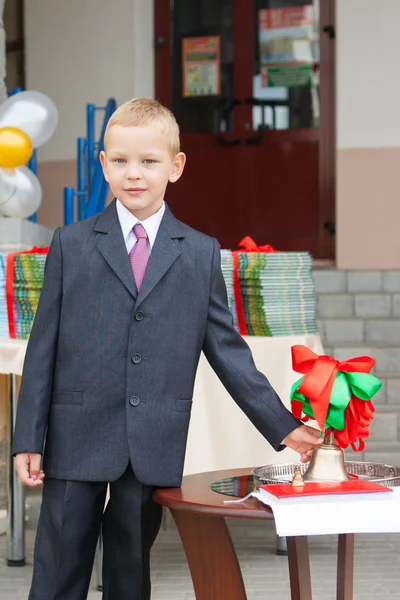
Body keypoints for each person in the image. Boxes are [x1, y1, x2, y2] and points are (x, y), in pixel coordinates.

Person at [12, 98, 322, 600]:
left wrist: (284, 426)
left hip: (152, 438)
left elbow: (227, 350)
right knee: (57, 571)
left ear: (175, 167)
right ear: (103, 163)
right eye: (120, 161)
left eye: (149, 162)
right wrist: (28, 436)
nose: (134, 174)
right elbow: (42, 346)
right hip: (75, 436)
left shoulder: (199, 252)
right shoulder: (70, 244)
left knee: (130, 572)